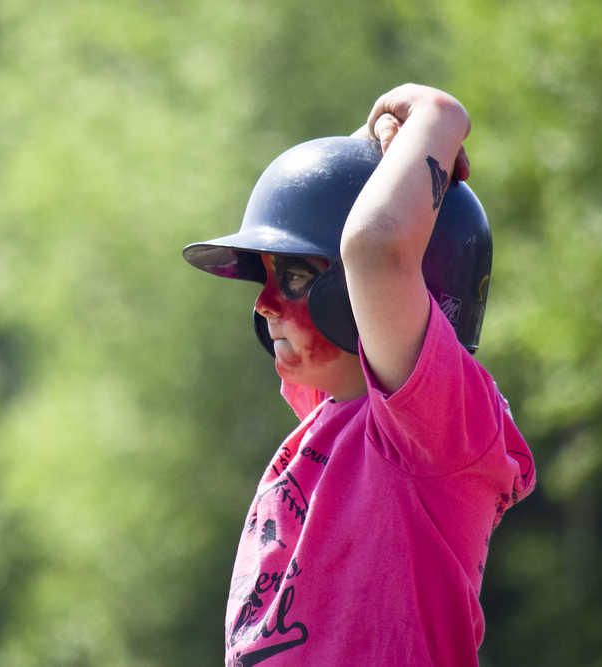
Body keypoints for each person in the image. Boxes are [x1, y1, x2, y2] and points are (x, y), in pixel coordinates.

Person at [182, 84, 535, 666]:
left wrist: (434, 119)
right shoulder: (327, 412)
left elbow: (375, 250)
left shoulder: (431, 434)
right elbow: (360, 228)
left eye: (293, 276)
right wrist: (365, 160)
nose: (264, 304)